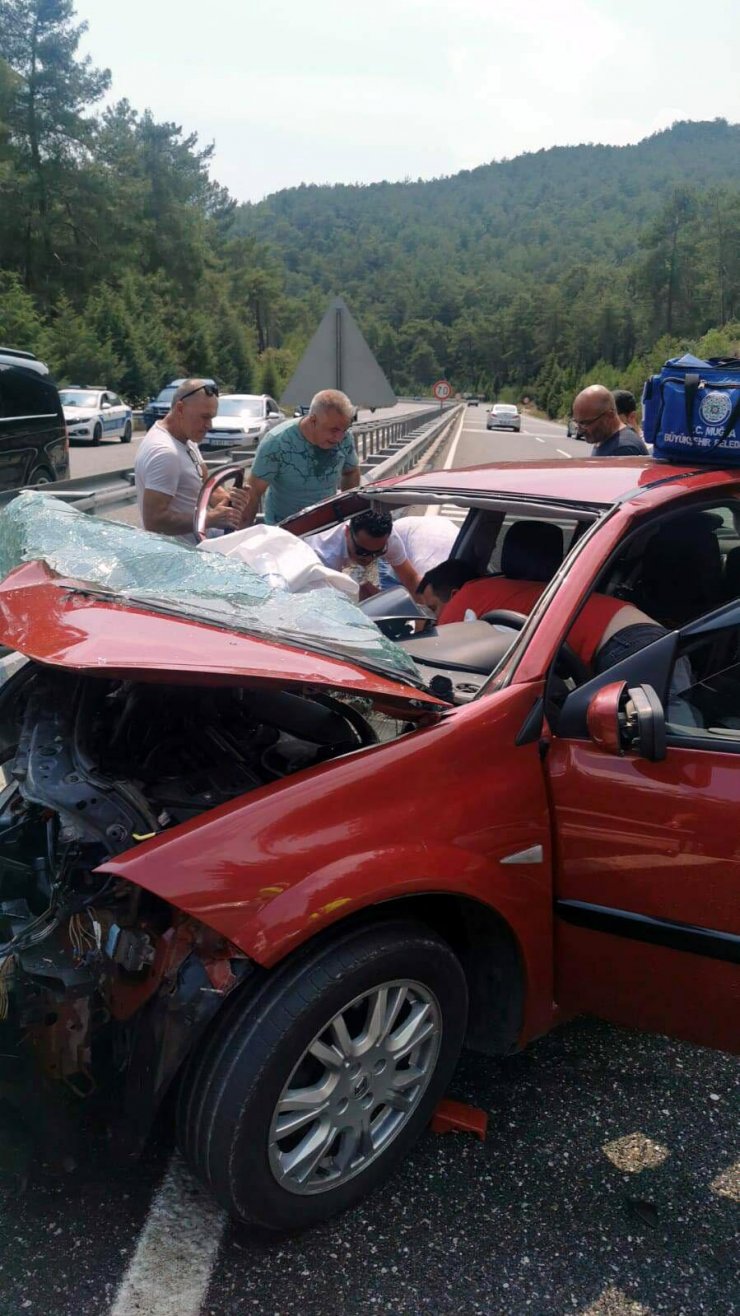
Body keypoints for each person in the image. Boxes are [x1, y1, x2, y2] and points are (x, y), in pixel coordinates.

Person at [134, 379, 245, 543]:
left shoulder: (186, 438)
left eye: (212, 417)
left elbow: (203, 485)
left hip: (198, 549)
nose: (209, 425)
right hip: (177, 558)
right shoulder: (166, 453)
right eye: (204, 417)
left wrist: (229, 499)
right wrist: (209, 519)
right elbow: (154, 521)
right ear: (180, 409)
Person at [240, 389, 360, 527]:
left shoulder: (345, 438)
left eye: (343, 430)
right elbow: (253, 491)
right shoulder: (278, 442)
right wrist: (243, 534)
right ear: (313, 420)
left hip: (327, 526)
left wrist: (348, 512)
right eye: (333, 430)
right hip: (284, 529)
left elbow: (351, 471)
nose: (339, 438)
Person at [306, 509, 421, 601]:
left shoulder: (389, 539)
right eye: (362, 552)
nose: (369, 559)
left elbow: (411, 579)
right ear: (347, 532)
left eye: (378, 552)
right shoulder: (326, 557)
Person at [377, 513, 459, 589]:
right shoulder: (426, 569)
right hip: (398, 536)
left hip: (436, 529)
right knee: (392, 595)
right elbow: (413, 583)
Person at [572, 385, 649, 456]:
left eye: (585, 423)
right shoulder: (604, 439)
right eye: (576, 422)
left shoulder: (623, 449)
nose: (580, 431)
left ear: (609, 416)